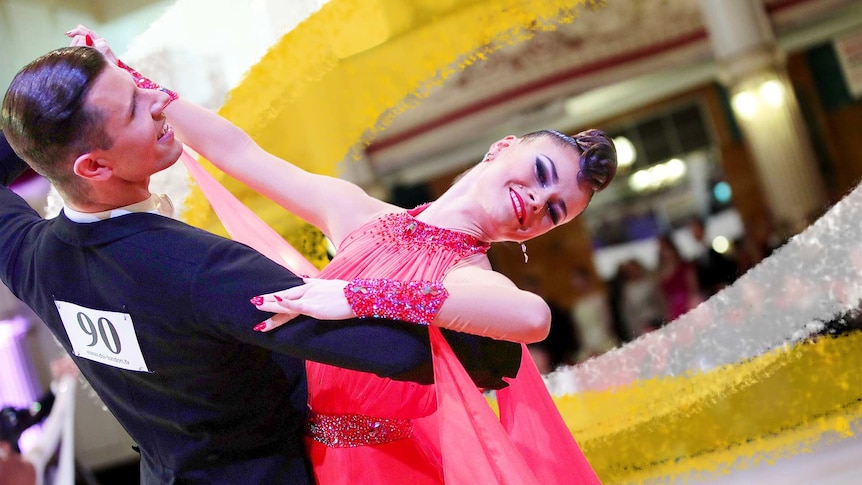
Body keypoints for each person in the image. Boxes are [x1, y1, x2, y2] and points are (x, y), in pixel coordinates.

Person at [87, 29, 617, 481]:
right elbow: (238, 151)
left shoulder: (471, 276)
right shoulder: (359, 214)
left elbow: (533, 318)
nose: (537, 200)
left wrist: (357, 296)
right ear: (503, 146)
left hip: (387, 468)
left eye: (554, 211)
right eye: (543, 174)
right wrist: (130, 82)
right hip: (295, 451)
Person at [0, 43, 518, 484]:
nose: (159, 99)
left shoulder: (31, 258)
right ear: (93, 166)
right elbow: (417, 353)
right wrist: (469, 272)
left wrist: (46, 130)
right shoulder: (196, 267)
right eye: (135, 106)